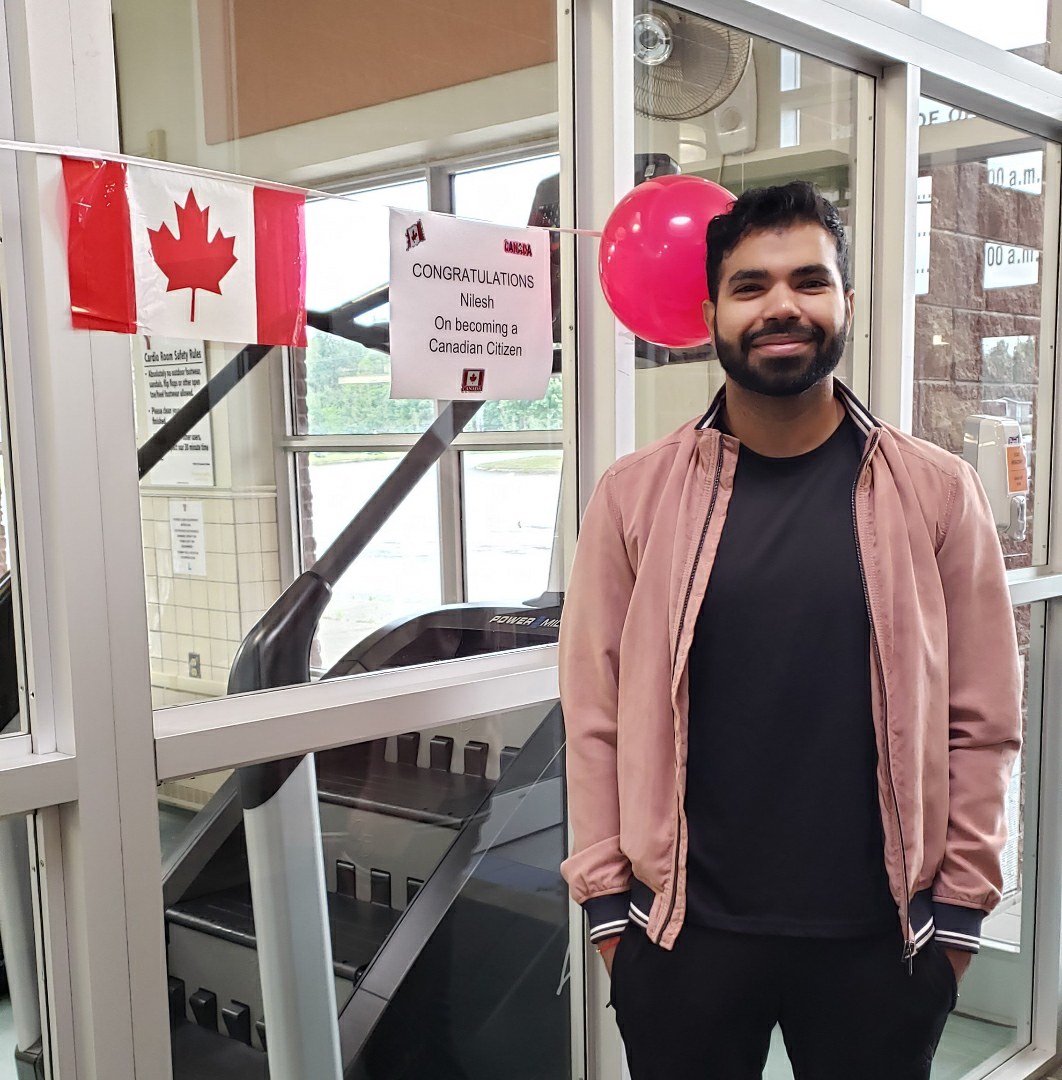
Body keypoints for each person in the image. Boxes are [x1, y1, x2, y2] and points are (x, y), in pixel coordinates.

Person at [559, 180, 1022, 1079]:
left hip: (879, 947)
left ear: (846, 303)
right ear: (711, 315)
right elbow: (594, 715)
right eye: (751, 285)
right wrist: (611, 914)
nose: (782, 306)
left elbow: (984, 717)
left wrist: (960, 919)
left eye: (810, 281)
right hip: (682, 940)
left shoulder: (935, 492)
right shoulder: (633, 496)